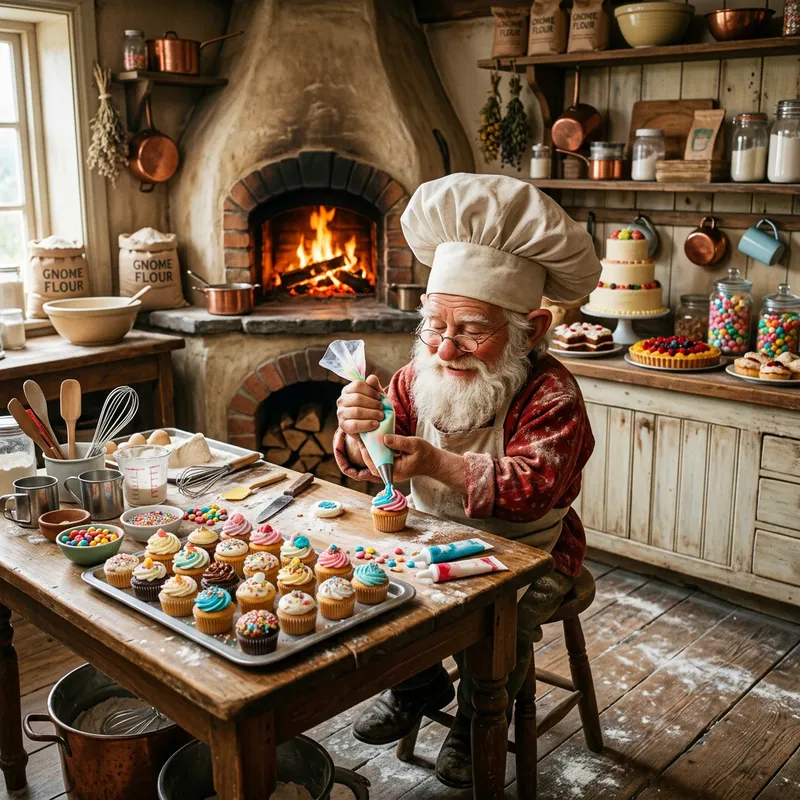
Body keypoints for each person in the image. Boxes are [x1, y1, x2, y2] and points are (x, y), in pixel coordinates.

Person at [333, 173, 601, 788]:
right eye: (435, 326)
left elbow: (536, 484)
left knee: (502, 622)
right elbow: (377, 462)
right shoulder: (414, 375)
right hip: (430, 531)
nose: (446, 349)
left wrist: (432, 461)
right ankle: (418, 680)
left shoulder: (552, 391)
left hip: (529, 550)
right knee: (375, 588)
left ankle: (481, 713)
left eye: (471, 331)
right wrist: (357, 432)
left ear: (531, 329)